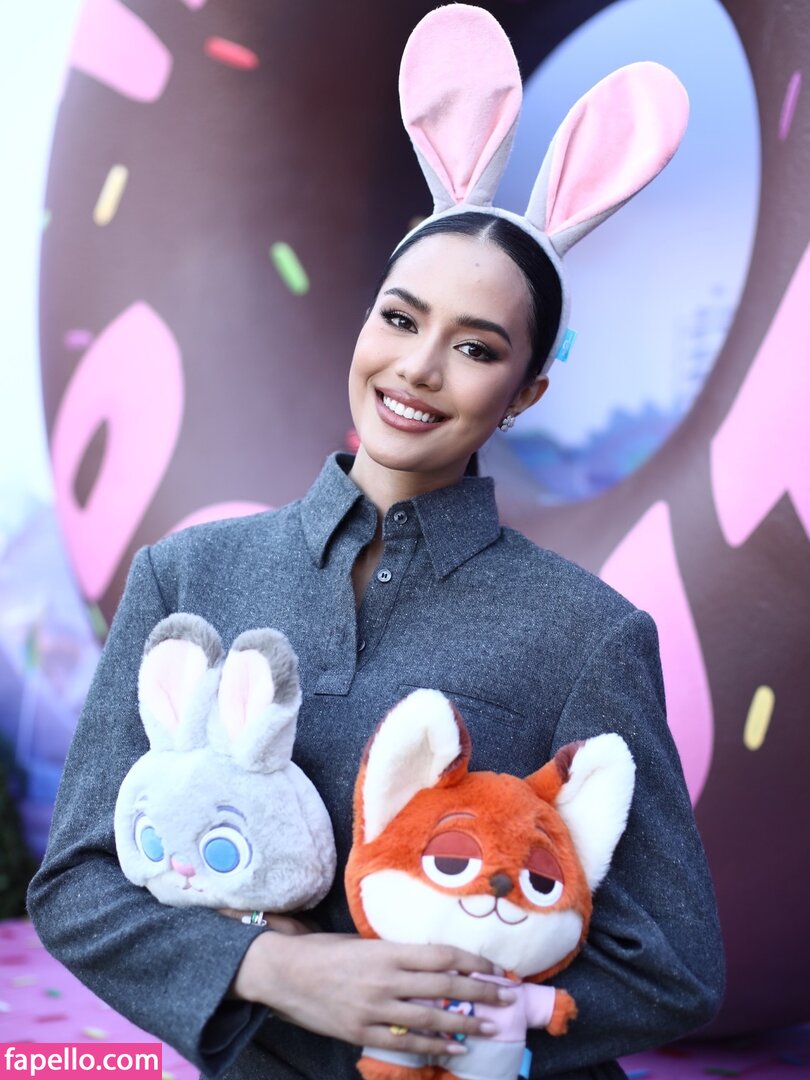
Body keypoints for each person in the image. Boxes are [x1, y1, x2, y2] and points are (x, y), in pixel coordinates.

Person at [28, 8, 724, 1079]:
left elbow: (672, 961)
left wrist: (447, 1020)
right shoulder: (188, 577)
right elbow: (78, 884)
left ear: (525, 393)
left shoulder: (586, 633)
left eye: (476, 348)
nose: (418, 369)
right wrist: (275, 969)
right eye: (400, 319)